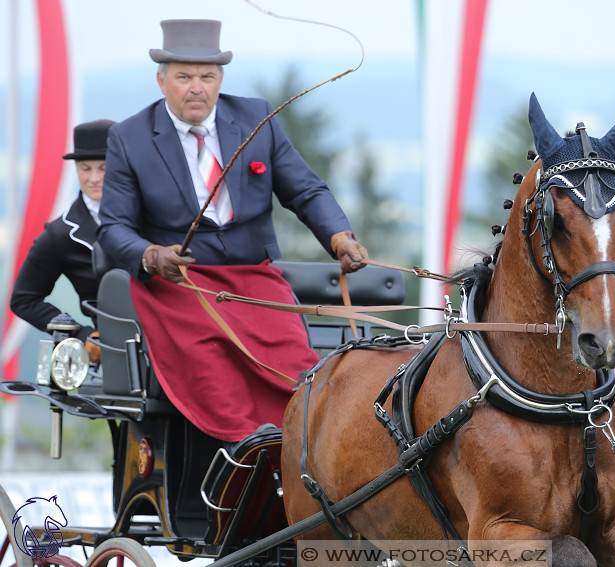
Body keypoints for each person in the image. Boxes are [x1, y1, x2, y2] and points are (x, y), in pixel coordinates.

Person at [98, 18, 367, 283]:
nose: (196, 88)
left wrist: (340, 236)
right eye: (184, 77)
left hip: (255, 275)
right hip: (178, 281)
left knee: (292, 331)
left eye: (207, 77)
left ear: (220, 80)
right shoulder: (129, 139)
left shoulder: (257, 118)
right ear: (161, 81)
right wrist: (153, 256)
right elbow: (114, 227)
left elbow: (305, 191)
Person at [10, 119, 116, 364]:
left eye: (104, 167)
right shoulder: (60, 235)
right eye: (85, 168)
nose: (94, 178)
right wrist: (81, 336)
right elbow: (23, 299)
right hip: (116, 355)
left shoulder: (155, 216)